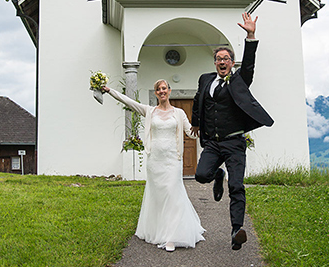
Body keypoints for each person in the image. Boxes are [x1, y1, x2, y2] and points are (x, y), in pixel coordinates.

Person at [191, 13, 274, 250]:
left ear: (231, 62)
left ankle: (236, 230)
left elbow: (248, 66)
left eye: (226, 58)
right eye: (219, 58)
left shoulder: (238, 80)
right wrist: (196, 122)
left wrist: (250, 36)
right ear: (214, 62)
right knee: (200, 175)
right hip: (213, 143)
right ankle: (218, 175)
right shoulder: (205, 79)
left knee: (236, 186)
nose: (222, 61)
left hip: (234, 143)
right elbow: (198, 101)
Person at [102, 80, 205, 252]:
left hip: (173, 159)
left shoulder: (179, 113)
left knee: (173, 195)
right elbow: (128, 102)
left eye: (164, 88)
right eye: (158, 89)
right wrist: (109, 90)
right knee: (159, 197)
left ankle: (172, 236)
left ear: (169, 91)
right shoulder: (150, 111)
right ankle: (160, 230)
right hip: (155, 160)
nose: (162, 91)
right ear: (156, 93)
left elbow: (191, 133)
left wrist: (212, 131)